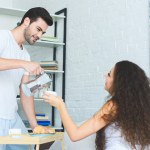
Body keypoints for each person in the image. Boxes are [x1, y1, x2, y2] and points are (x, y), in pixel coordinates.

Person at [43, 60, 150, 150]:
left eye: (109, 74)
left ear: (119, 82)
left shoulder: (113, 106)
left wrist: (60, 105)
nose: (105, 75)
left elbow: (75, 135)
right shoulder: (139, 108)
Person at [0, 7, 54, 150]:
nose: (39, 35)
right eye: (38, 29)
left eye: (42, 32)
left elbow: (25, 92)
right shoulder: (3, 37)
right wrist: (24, 64)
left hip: (12, 116)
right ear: (26, 21)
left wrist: (35, 125)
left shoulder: (26, 55)